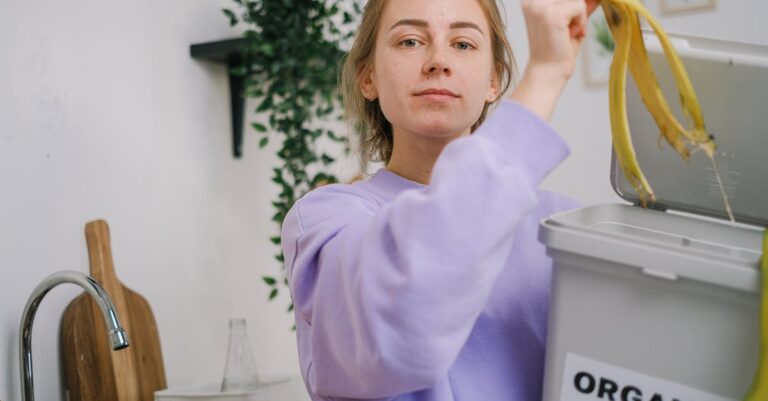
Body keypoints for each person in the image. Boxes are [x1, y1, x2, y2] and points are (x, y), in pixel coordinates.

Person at [281, 0, 598, 399]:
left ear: (493, 81)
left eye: (463, 44)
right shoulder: (327, 220)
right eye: (410, 41)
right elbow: (399, 330)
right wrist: (547, 72)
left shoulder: (565, 228)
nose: (438, 61)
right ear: (369, 78)